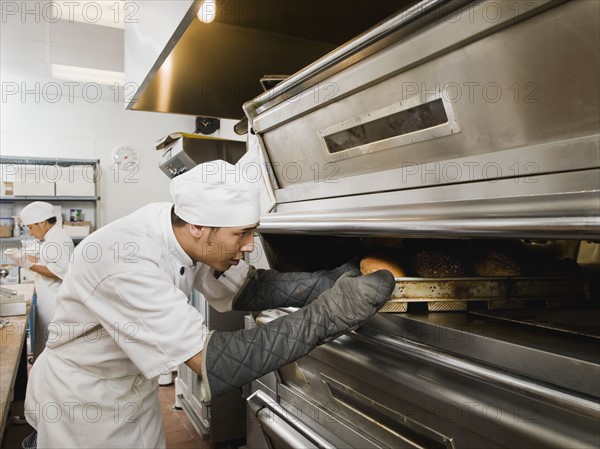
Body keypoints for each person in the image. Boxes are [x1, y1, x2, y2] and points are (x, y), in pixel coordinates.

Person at [24, 159, 395, 449]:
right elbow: (214, 362)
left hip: (131, 389)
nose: (250, 245)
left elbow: (249, 290)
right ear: (200, 228)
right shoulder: (124, 260)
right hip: (85, 402)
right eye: (242, 234)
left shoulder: (182, 229)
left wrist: (328, 280)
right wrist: (328, 314)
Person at [7, 201, 74, 361]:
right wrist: (21, 257)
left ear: (42, 223)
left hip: (55, 302)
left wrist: (27, 264)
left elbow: (57, 271)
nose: (30, 232)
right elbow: (46, 261)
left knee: (52, 350)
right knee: (45, 347)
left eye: (31, 227)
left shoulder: (58, 238)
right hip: (48, 300)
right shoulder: (52, 236)